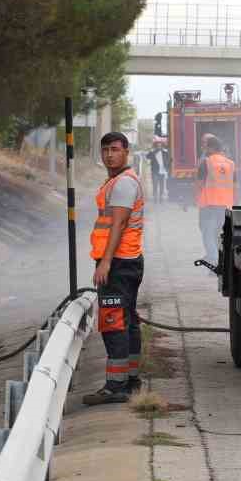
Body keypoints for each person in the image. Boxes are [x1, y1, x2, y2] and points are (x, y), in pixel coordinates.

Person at [82, 132, 145, 405]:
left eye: (115, 149)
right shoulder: (117, 181)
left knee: (113, 322)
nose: (110, 155)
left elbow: (118, 225)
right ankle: (131, 379)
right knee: (127, 319)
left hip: (118, 263)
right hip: (127, 260)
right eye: (105, 150)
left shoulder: (123, 184)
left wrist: (105, 262)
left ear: (126, 152)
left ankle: (116, 386)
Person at [196, 135, 236, 264]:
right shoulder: (231, 163)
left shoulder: (206, 162)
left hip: (209, 204)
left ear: (211, 147)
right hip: (225, 206)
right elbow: (235, 186)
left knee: (207, 233)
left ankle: (214, 261)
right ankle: (219, 259)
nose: (205, 149)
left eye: (206, 146)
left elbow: (199, 184)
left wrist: (194, 199)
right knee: (218, 234)